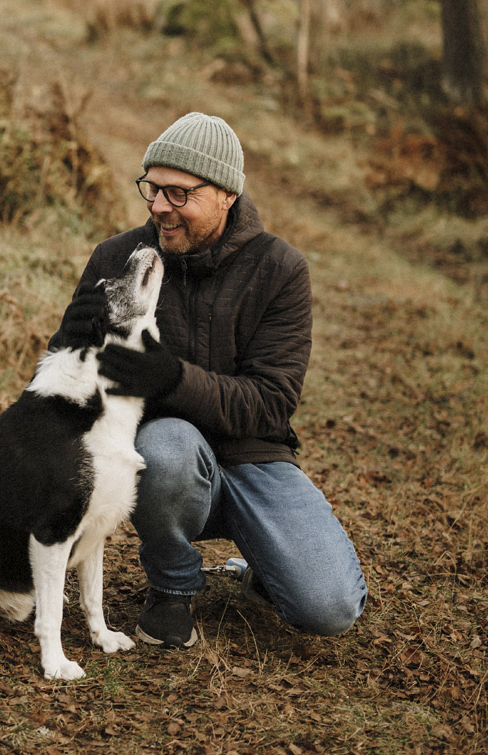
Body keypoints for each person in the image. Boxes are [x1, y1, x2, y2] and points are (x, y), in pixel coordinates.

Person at [51, 112, 367, 648]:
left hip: (256, 458)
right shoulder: (118, 257)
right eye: (152, 189)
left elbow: (271, 404)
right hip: (164, 465)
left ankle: (263, 564)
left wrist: (171, 378)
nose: (158, 208)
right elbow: (67, 363)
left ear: (226, 195)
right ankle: (172, 591)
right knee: (166, 445)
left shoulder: (280, 270)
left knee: (328, 609)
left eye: (179, 194)